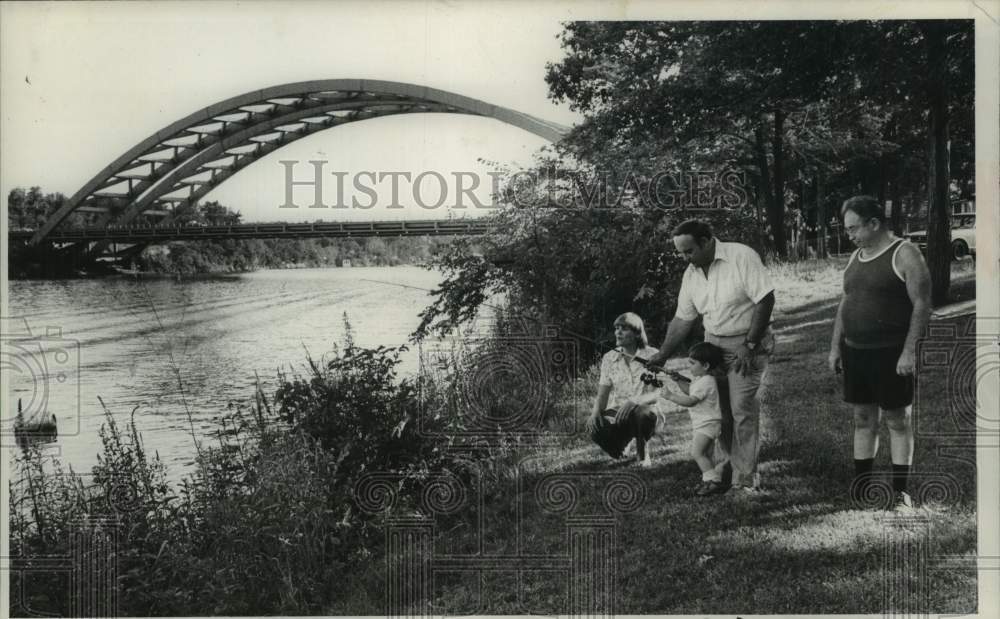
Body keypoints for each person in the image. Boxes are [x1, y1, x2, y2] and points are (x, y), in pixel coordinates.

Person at [646, 219, 776, 493]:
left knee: (742, 410)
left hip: (747, 344)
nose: (685, 258)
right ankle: (726, 471)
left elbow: (765, 299)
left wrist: (750, 344)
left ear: (706, 242)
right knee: (723, 413)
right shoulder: (691, 274)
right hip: (713, 346)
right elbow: (683, 318)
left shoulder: (741, 256)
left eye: (689, 251)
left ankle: (745, 482)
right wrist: (663, 354)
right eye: (680, 252)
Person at [828, 196, 931, 511]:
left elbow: (922, 305)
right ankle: (862, 489)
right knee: (862, 418)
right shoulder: (856, 256)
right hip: (856, 352)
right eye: (847, 229)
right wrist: (836, 346)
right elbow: (846, 301)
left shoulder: (906, 254)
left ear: (874, 223)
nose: (849, 235)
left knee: (897, 421)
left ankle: (901, 494)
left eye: (854, 228)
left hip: (891, 354)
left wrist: (909, 352)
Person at [587, 312, 665, 468]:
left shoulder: (653, 355)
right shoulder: (609, 358)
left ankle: (643, 454)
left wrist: (634, 401)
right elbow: (603, 394)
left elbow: (655, 394)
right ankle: (622, 448)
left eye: (624, 329)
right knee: (594, 427)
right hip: (617, 414)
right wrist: (595, 413)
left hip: (645, 411)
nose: (618, 332)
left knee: (642, 413)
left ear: (637, 333)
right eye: (616, 328)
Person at [662, 342, 726, 496]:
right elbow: (691, 391)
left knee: (697, 452)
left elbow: (691, 401)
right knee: (706, 454)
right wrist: (678, 380)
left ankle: (714, 481)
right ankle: (710, 481)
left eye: (692, 363)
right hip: (707, 423)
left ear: (705, 365)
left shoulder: (705, 382)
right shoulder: (703, 379)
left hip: (707, 424)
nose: (689, 366)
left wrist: (671, 396)